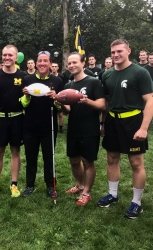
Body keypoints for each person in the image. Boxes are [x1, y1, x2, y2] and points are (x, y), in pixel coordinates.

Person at [97, 39, 153, 219]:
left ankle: (136, 203)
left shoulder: (140, 72)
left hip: (133, 121)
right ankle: (113, 194)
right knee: (112, 158)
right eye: (113, 52)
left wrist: (144, 128)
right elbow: (106, 102)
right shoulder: (107, 74)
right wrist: (103, 123)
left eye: (119, 51)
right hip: (113, 120)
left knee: (136, 163)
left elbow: (150, 100)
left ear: (129, 51)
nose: (115, 55)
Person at [61, 52, 105, 206]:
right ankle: (79, 185)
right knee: (74, 160)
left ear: (83, 64)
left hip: (89, 128)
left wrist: (87, 101)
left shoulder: (94, 82)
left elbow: (102, 105)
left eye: (75, 62)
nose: (72, 65)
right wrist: (58, 101)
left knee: (88, 161)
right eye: (69, 63)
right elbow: (68, 110)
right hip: (73, 128)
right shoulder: (68, 86)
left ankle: (86, 192)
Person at [0, 45, 26, 198]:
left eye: (10, 55)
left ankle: (14, 184)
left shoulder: (23, 76)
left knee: (16, 151)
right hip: (0, 118)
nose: (7, 57)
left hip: (17, 118)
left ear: (16, 57)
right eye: (4, 55)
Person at [21, 51, 64, 198]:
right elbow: (23, 104)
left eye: (45, 61)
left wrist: (56, 98)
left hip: (49, 127)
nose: (42, 64)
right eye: (40, 61)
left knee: (49, 157)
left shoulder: (57, 81)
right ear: (36, 63)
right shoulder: (27, 79)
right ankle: (30, 185)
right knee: (30, 157)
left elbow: (61, 107)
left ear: (50, 63)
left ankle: (50, 185)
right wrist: (26, 96)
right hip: (30, 126)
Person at [51, 62, 65, 133]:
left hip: (59, 97)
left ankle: (61, 128)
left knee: (60, 114)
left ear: (58, 68)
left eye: (55, 66)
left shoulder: (61, 77)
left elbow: (63, 88)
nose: (54, 68)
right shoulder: (49, 77)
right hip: (50, 98)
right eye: (52, 66)